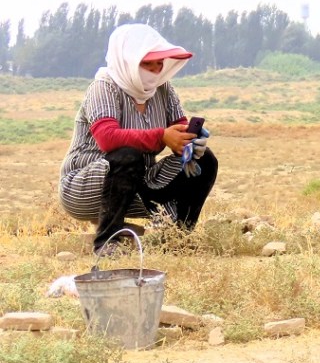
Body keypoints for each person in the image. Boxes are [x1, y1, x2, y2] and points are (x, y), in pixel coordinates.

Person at [59, 23, 218, 255]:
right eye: (147, 63)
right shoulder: (104, 87)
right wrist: (162, 136)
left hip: (136, 182)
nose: (154, 69)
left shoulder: (162, 89)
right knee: (126, 154)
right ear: (127, 61)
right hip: (87, 185)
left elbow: (178, 126)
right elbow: (107, 138)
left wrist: (188, 141)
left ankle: (177, 239)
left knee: (206, 161)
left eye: (158, 63)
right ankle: (107, 242)